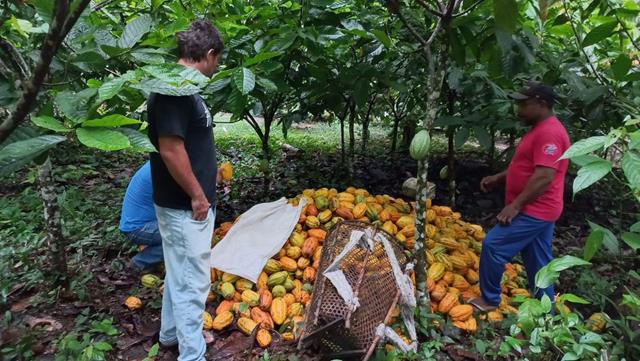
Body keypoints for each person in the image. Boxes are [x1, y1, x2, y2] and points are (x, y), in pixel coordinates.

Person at [147, 20, 224, 361]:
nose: (217, 67)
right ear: (209, 54)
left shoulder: (183, 89)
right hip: (185, 207)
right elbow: (171, 150)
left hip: (183, 205)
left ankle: (168, 336)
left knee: (179, 271)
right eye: (217, 60)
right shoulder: (174, 89)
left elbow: (186, 143)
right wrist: (198, 195)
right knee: (193, 282)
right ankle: (192, 355)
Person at [470, 82, 570, 312]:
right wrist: (499, 177)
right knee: (539, 263)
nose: (518, 110)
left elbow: (544, 176)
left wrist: (515, 206)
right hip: (541, 209)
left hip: (535, 210)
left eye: (524, 104)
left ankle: (490, 300)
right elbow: (527, 167)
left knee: (493, 246)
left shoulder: (550, 133)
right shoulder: (540, 128)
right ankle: (546, 312)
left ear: (542, 104)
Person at [119, 161, 163, 272]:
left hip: (147, 223)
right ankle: (138, 263)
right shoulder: (163, 170)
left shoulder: (159, 162)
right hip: (138, 228)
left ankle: (152, 254)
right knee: (184, 235)